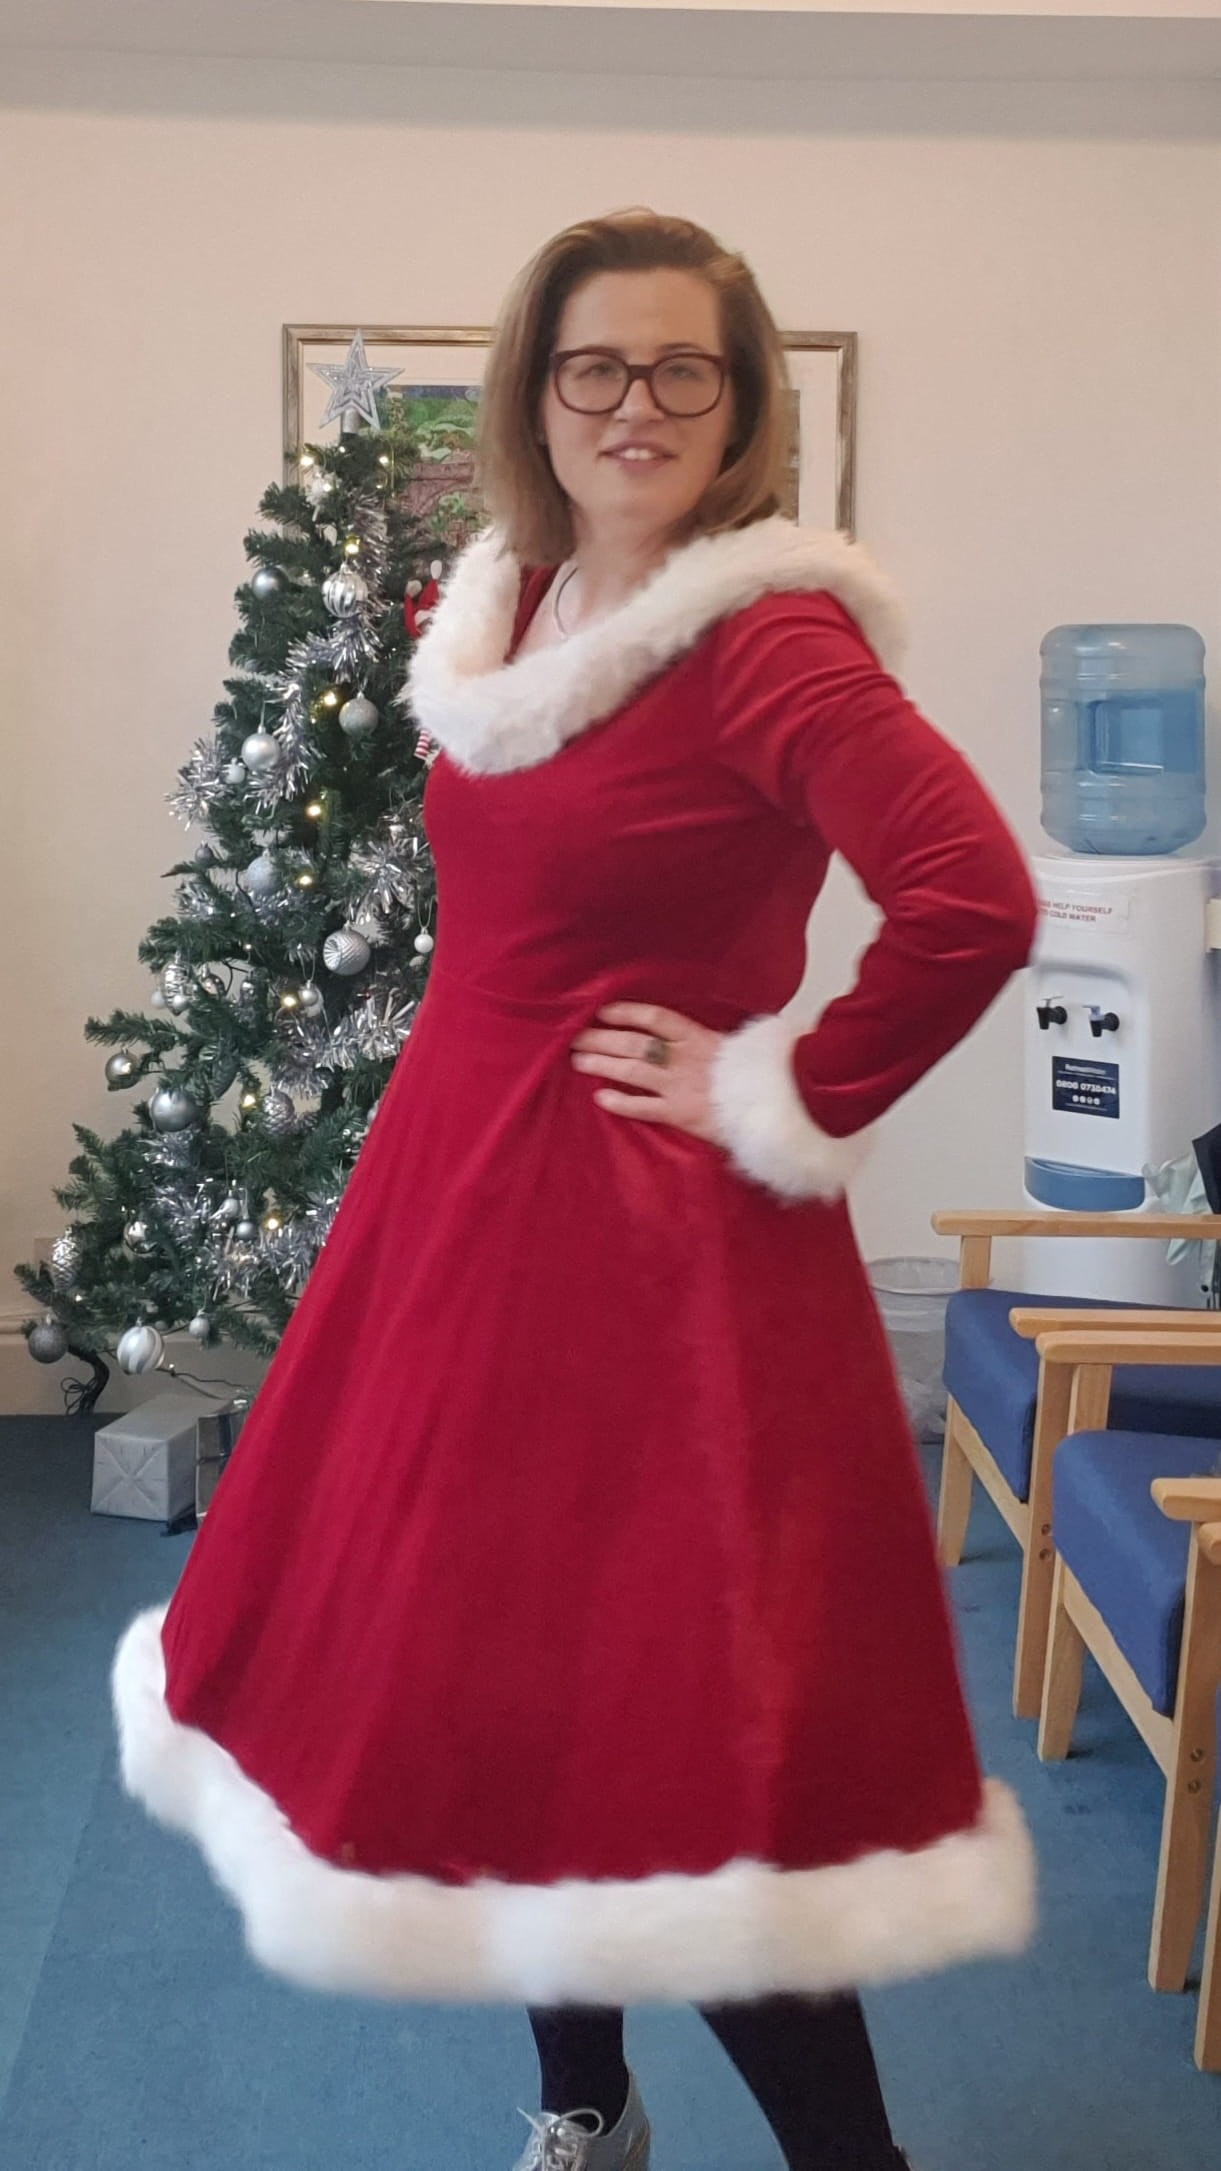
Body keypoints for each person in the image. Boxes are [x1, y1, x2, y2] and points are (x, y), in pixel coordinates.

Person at [113, 209, 1040, 2171]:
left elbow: (970, 901)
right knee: (513, 1682)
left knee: (673, 1727)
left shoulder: (765, 636)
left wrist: (775, 1078)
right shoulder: (516, 596)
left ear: (743, 402)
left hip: (650, 1255)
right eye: (593, 364)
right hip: (462, 1207)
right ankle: (584, 2106)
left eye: (681, 367)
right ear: (535, 394)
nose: (636, 403)